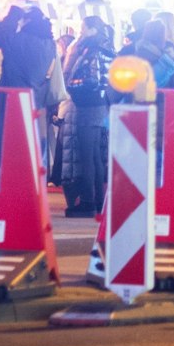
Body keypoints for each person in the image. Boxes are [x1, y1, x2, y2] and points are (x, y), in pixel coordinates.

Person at [60, 17, 115, 217]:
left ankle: (88, 201)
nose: (80, 31)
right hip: (101, 106)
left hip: (88, 105)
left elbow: (90, 79)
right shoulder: (107, 49)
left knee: (86, 156)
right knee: (95, 156)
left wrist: (71, 86)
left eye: (83, 27)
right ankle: (99, 200)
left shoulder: (90, 50)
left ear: (92, 29)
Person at [0, 0, 58, 163]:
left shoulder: (19, 41)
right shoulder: (49, 45)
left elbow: (1, 34)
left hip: (13, 101)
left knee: (12, 150)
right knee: (36, 149)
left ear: (28, 21)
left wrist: (15, 12)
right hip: (37, 101)